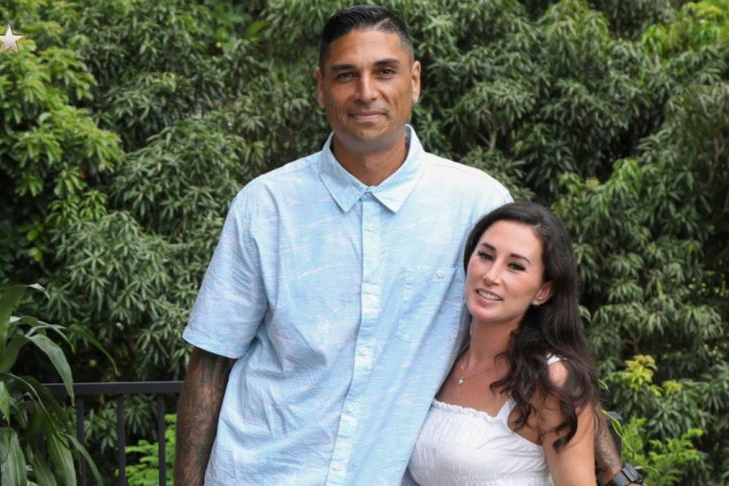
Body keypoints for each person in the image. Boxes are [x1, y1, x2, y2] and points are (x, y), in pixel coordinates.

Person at [175, 5, 640, 486]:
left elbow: (544, 344)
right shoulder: (265, 205)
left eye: (385, 71)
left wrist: (615, 474)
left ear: (414, 81)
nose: (366, 92)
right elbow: (211, 360)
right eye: (345, 75)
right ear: (320, 87)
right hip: (260, 474)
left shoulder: (475, 202)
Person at [408, 202, 600, 485]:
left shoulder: (552, 379)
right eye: (485, 256)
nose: (491, 276)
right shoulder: (440, 358)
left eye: (515, 266)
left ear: (544, 290)